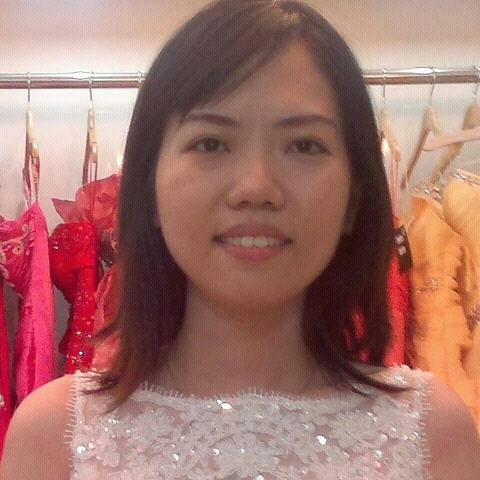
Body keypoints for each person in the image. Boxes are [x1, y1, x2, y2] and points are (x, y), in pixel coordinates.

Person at [1, 0, 479, 478]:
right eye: (211, 143)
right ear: (149, 190)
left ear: (355, 195)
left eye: (304, 145)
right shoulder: (56, 437)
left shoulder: (430, 434)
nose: (256, 187)